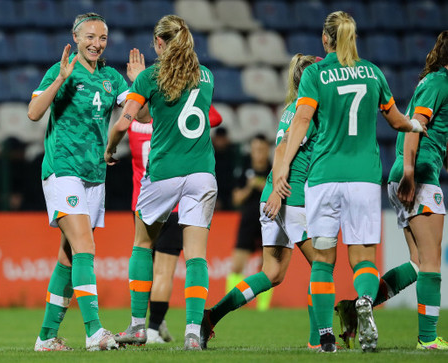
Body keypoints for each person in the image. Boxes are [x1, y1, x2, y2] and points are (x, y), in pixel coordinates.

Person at [275, 11, 427, 353]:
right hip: (363, 179)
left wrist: (284, 166)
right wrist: (415, 127)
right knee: (363, 259)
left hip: (324, 178)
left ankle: (326, 337)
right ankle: (364, 302)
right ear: (353, 39)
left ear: (326, 39)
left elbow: (301, 119)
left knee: (323, 261)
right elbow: (396, 120)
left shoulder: (315, 73)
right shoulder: (373, 72)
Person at [105, 15, 217, 351]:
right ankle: (194, 332)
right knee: (196, 256)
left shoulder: (151, 77)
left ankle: (139, 327)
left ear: (158, 43)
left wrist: (109, 149)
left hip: (165, 173)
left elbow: (127, 121)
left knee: (142, 244)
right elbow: (159, 112)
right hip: (202, 173)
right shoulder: (207, 76)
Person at [28, 12, 135, 352]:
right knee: (85, 248)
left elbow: (140, 115)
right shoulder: (61, 70)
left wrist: (137, 85)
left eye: (102, 38)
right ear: (76, 38)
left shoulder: (111, 77)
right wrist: (60, 79)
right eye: (90, 36)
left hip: (94, 174)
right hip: (64, 170)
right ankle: (94, 332)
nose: (96, 43)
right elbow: (33, 112)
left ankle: (46, 338)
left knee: (70, 257)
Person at [201, 54, 321, 350]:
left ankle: (212, 316)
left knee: (272, 273)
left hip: (272, 194)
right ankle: (318, 340)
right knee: (322, 265)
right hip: (289, 196)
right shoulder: (310, 112)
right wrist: (281, 192)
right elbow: (282, 150)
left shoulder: (290, 109)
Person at [127, 56, 223, 343]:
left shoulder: (135, 124)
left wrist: (140, 81)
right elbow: (213, 117)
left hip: (148, 195)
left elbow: (131, 111)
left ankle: (139, 325)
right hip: (183, 193)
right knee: (168, 270)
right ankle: (167, 328)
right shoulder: (174, 111)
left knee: (143, 254)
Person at [386, 31, 448, 350]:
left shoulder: (435, 82)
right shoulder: (440, 83)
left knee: (417, 262)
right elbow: (415, 126)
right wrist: (411, 172)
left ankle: (360, 307)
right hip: (418, 175)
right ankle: (428, 339)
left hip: (409, 173)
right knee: (432, 260)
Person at [225, 134, 272, 311]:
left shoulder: (274, 169)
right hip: (247, 221)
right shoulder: (243, 170)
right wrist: (250, 187)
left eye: (261, 149)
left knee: (266, 265)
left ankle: (262, 308)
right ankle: (230, 305)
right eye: (255, 149)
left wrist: (266, 189)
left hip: (269, 221)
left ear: (267, 150)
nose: (258, 153)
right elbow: (236, 199)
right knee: (237, 265)